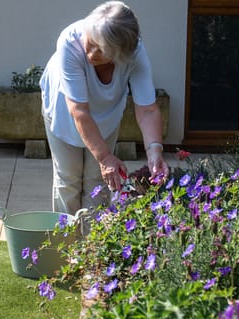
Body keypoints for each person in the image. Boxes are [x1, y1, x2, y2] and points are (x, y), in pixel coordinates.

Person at [40, 1, 169, 215]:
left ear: (120, 53)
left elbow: (147, 109)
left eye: (101, 50)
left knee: (98, 182)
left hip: (105, 116)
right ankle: (66, 245)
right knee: (68, 181)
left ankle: (93, 245)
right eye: (90, 43)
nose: (91, 54)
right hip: (65, 110)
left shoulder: (135, 53)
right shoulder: (69, 41)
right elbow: (79, 110)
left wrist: (155, 152)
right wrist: (105, 157)